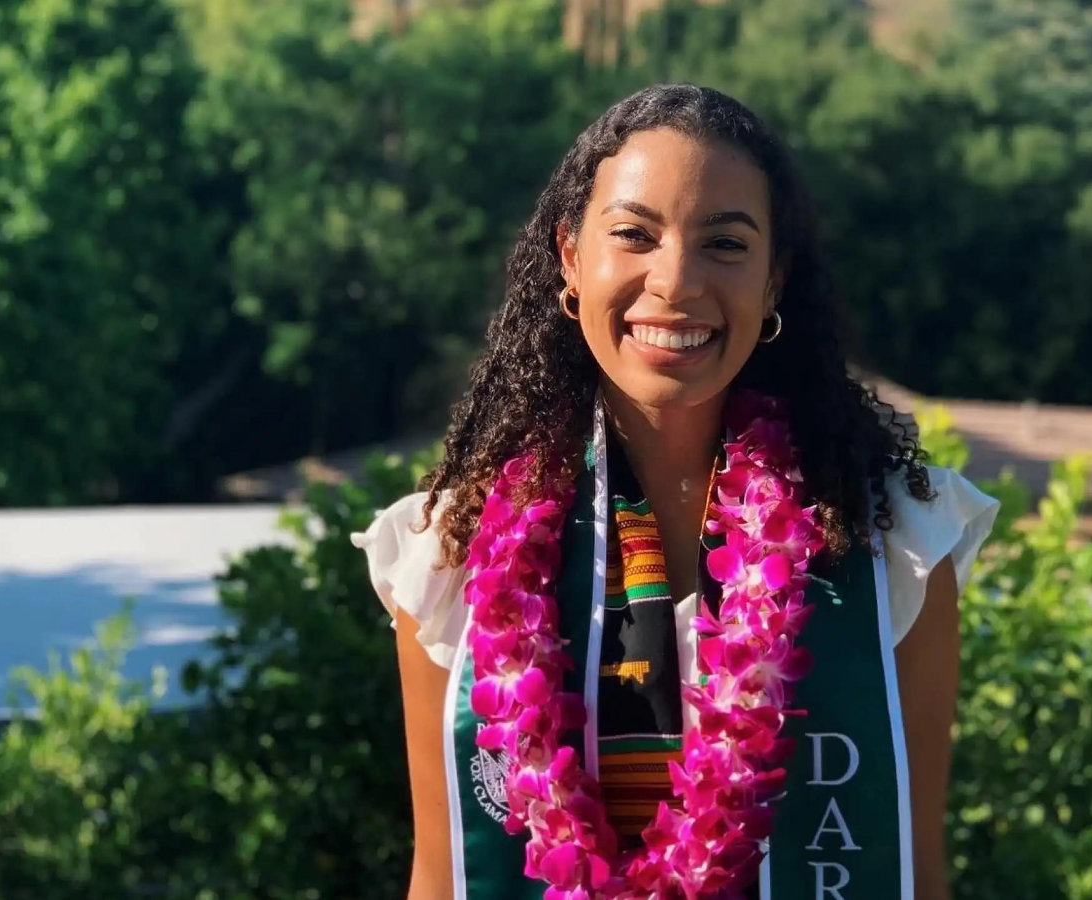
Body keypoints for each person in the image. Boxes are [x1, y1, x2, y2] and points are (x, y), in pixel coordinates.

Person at [352, 83, 999, 900]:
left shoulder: (892, 546)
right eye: (633, 235)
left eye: (725, 245)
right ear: (570, 260)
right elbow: (441, 879)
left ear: (774, 284)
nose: (676, 281)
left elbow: (918, 875)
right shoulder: (448, 556)